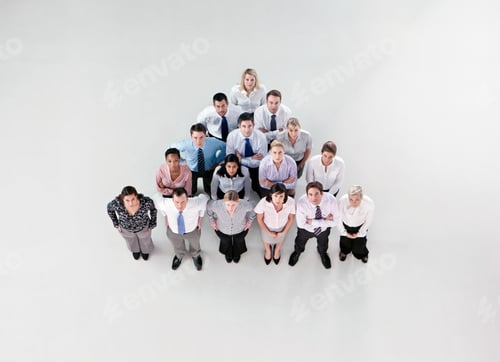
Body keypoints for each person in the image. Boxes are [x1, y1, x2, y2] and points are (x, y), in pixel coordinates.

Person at [154, 188, 209, 271]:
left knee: (195, 244)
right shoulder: (165, 204)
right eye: (177, 202)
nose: (180, 205)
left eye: (183, 202)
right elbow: (156, 197)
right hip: (174, 231)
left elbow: (205, 198)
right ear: (172, 200)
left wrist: (200, 218)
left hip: (192, 230)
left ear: (187, 199)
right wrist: (165, 216)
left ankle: (195, 255)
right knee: (177, 244)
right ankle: (179, 255)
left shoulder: (195, 203)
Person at [289, 181, 339, 269]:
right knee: (300, 241)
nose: (313, 198)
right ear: (307, 195)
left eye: (317, 194)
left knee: (323, 243)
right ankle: (298, 252)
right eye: (310, 194)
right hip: (306, 230)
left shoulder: (331, 200)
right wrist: (326, 220)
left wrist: (312, 222)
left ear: (322, 193)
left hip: (323, 230)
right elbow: (301, 224)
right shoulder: (301, 203)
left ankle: (323, 253)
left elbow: (335, 221)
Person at [170, 123, 226, 195]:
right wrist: (181, 161)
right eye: (195, 138)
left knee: (210, 190)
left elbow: (226, 147)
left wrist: (218, 161)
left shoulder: (213, 142)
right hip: (192, 170)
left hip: (209, 169)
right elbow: (171, 148)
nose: (198, 141)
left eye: (201, 137)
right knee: (191, 191)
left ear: (205, 135)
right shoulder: (185, 144)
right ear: (191, 137)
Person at [107, 186, 157, 260]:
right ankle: (135, 250)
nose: (130, 203)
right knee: (130, 240)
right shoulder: (116, 204)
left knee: (145, 239)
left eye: (133, 199)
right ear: (122, 199)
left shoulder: (146, 202)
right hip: (126, 228)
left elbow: (153, 210)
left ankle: (146, 251)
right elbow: (109, 209)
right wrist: (116, 224)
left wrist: (152, 223)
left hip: (143, 227)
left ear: (136, 196)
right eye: (127, 200)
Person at [206, 190, 256, 263]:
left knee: (239, 241)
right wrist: (211, 220)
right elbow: (208, 205)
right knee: (225, 241)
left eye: (233, 205)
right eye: (228, 204)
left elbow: (254, 206)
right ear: (224, 201)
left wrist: (250, 220)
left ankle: (237, 252)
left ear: (238, 202)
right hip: (222, 229)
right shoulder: (217, 205)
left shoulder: (244, 205)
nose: (230, 208)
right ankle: (227, 252)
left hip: (240, 229)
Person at [226, 112, 267, 198]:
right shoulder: (232, 136)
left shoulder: (261, 137)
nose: (247, 130)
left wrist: (242, 159)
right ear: (239, 126)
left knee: (258, 187)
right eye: (244, 126)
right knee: (238, 188)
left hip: (255, 167)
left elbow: (260, 161)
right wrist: (251, 158)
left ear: (254, 125)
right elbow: (230, 158)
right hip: (238, 165)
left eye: (249, 126)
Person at [254, 183, 295, 265]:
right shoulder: (263, 202)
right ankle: (268, 251)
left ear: (285, 196)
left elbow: (291, 218)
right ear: (271, 195)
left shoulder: (291, 202)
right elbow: (259, 219)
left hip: (282, 226)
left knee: (281, 239)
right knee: (266, 240)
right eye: (275, 196)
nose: (278, 199)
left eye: (281, 196)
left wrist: (284, 232)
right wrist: (268, 232)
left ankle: (276, 250)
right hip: (267, 226)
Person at [338, 185, 374, 263]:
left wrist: (359, 234)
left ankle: (362, 254)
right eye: (351, 199)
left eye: (357, 199)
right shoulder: (342, 201)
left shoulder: (369, 204)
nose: (353, 202)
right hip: (346, 225)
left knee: (359, 246)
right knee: (345, 242)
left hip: (360, 227)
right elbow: (338, 218)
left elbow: (368, 221)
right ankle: (344, 251)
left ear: (361, 197)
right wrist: (344, 233)